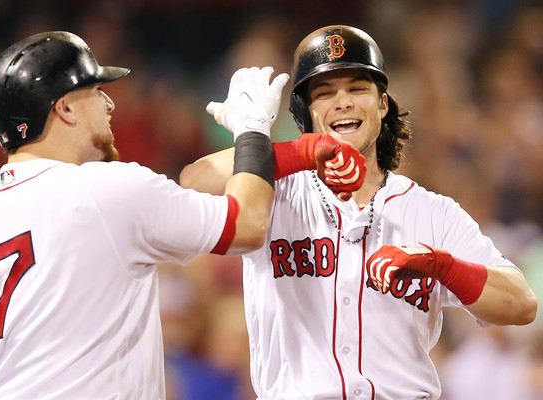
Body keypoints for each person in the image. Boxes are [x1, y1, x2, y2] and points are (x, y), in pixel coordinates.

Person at [0, 31, 353, 400]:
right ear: (65, 108)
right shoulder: (105, 188)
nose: (109, 102)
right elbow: (247, 225)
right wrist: (253, 131)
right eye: (95, 90)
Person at [180, 25, 538, 399]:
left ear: (383, 104)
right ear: (306, 110)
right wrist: (297, 153)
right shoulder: (270, 193)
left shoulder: (432, 212)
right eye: (324, 93)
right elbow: (194, 181)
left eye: (358, 89)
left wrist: (444, 267)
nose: (343, 101)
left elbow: (521, 304)